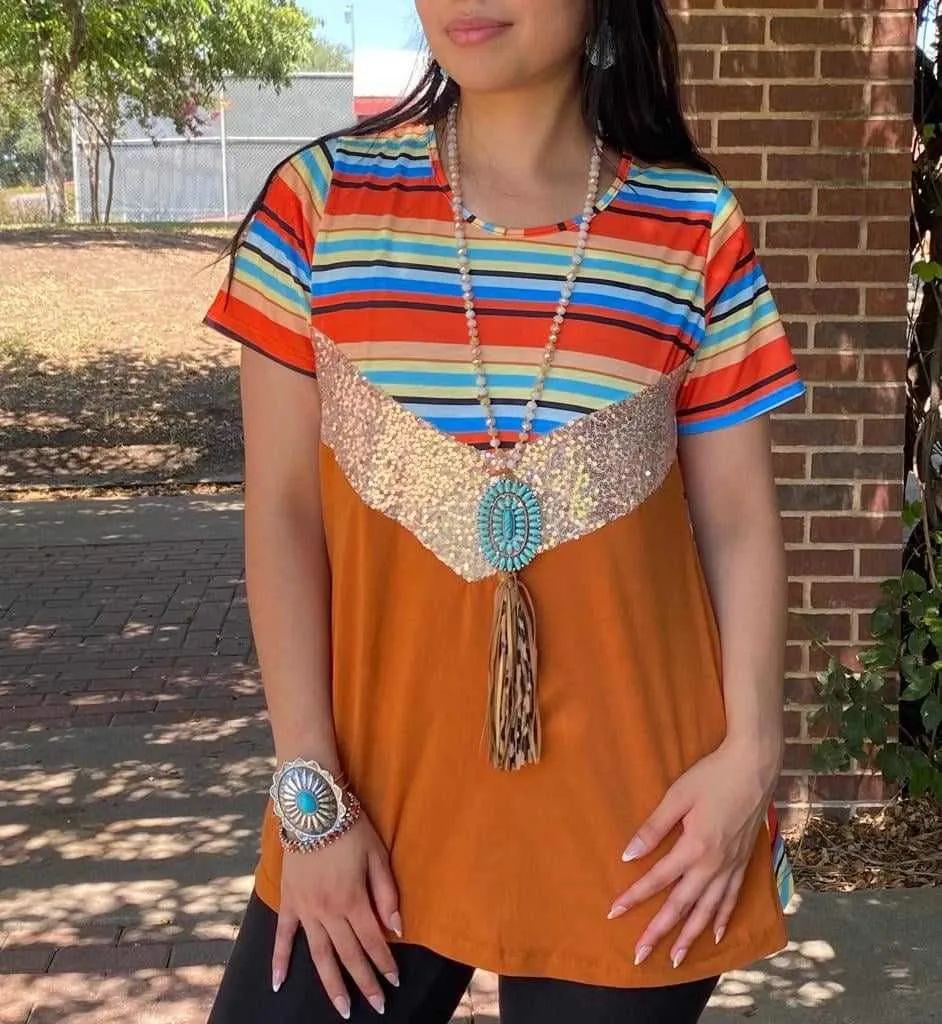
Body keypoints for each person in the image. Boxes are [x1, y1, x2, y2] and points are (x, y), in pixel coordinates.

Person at [202, 1, 803, 1021]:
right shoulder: (318, 206)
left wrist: (751, 757)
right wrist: (309, 802)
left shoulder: (694, 228)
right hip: (365, 815)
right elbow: (284, 517)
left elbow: (740, 523)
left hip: (638, 834)